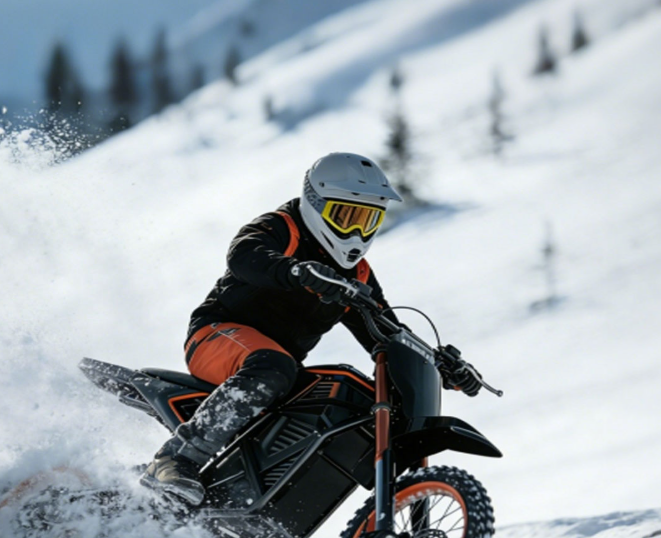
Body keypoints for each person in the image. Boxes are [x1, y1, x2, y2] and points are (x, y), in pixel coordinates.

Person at [142, 152, 480, 505]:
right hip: (217, 336)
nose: (355, 232)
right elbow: (244, 256)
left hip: (279, 368)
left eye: (368, 221)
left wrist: (441, 367)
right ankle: (174, 458)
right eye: (346, 216)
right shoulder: (282, 227)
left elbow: (387, 331)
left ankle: (256, 501)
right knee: (274, 366)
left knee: (335, 401)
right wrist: (297, 272)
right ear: (315, 203)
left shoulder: (357, 275)